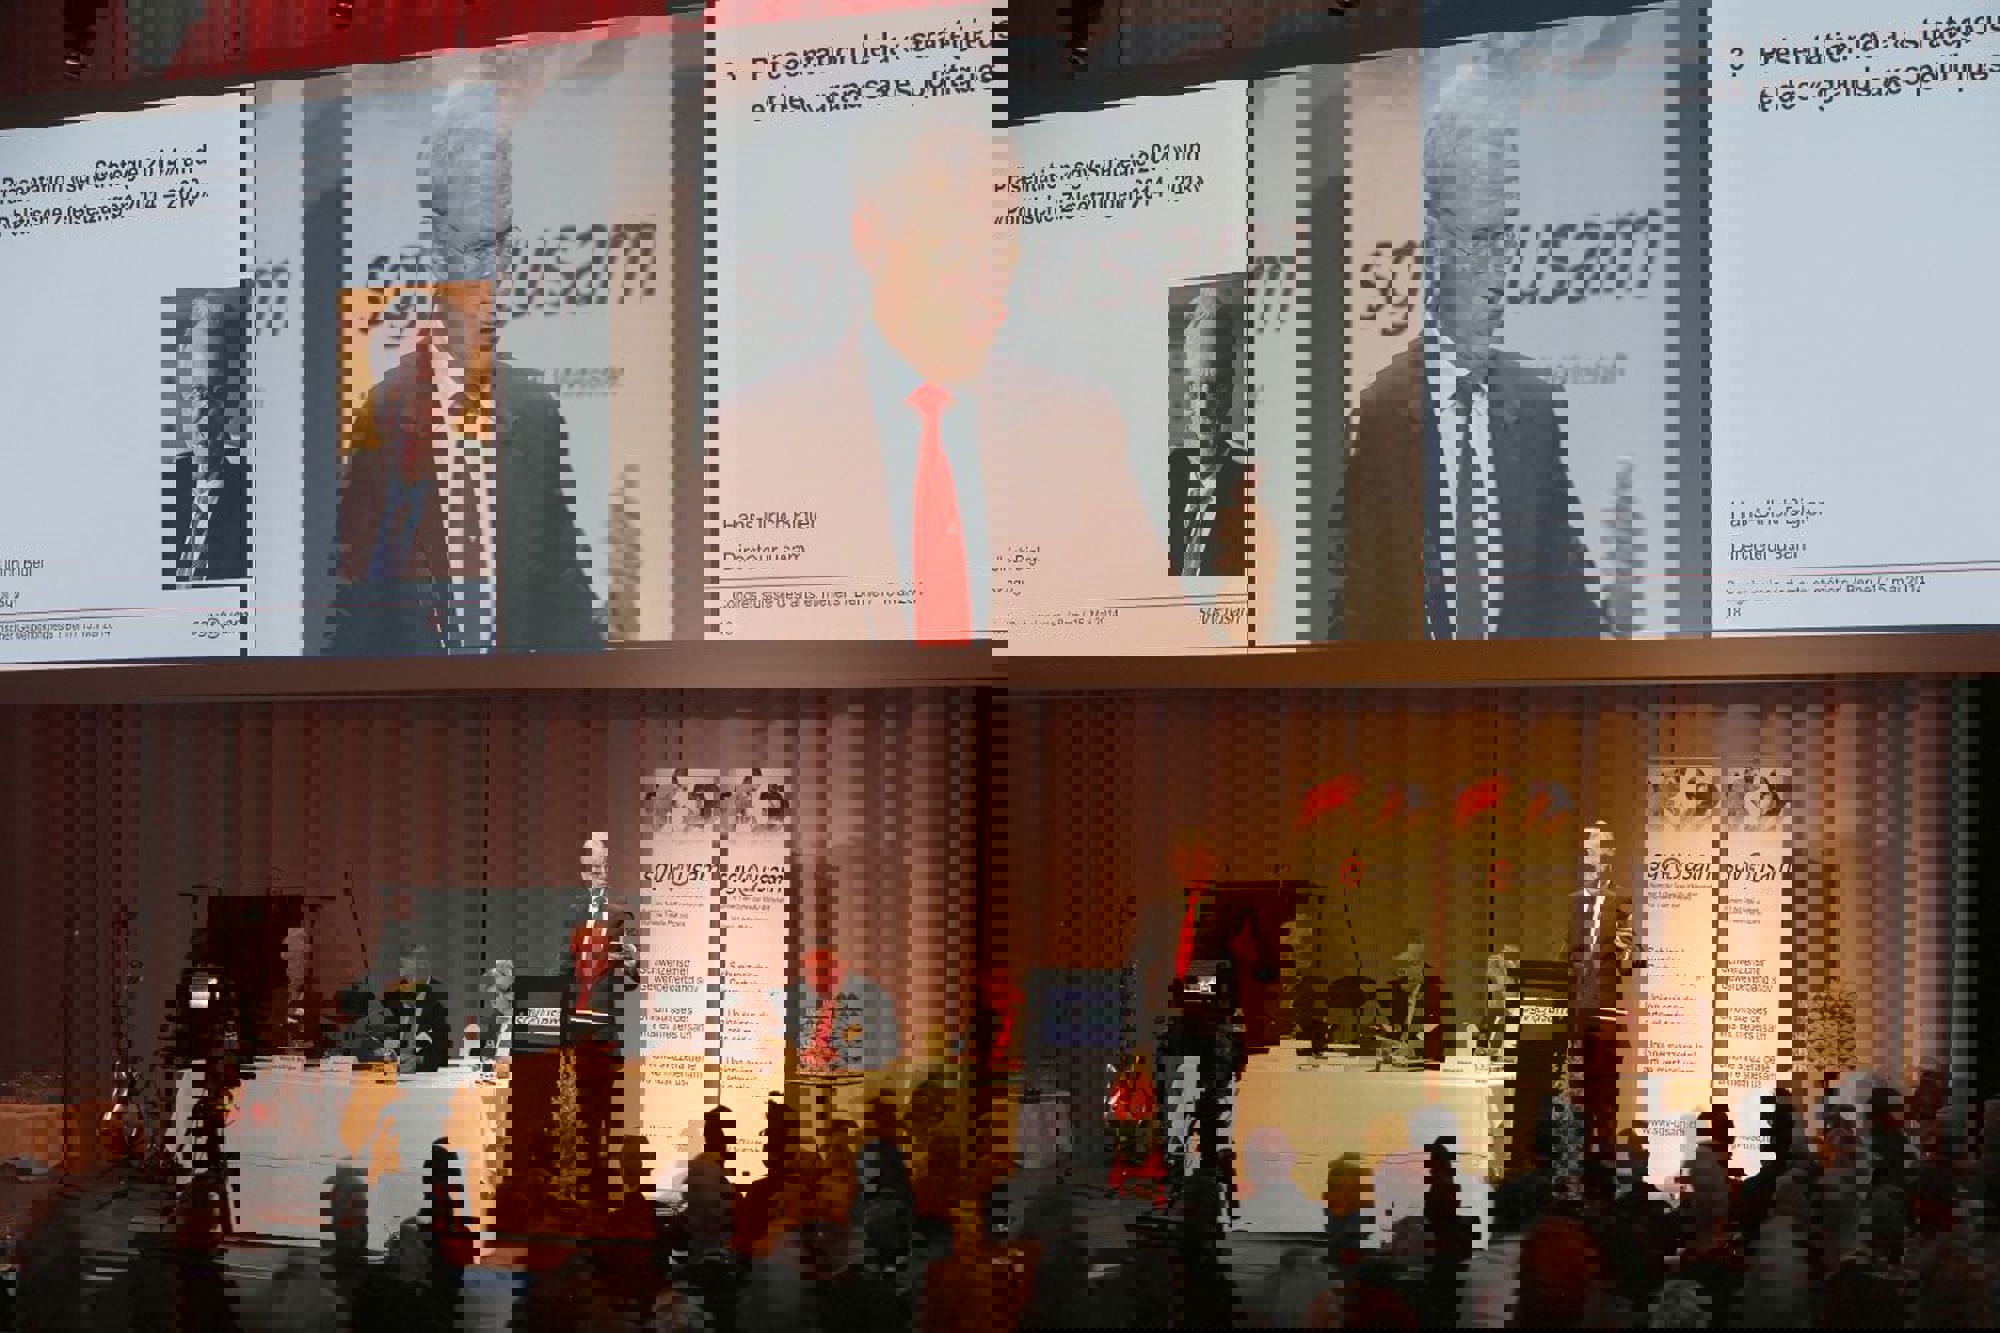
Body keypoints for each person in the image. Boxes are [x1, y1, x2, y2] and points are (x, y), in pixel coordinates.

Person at [714, 116, 1201, 648]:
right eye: (951, 228)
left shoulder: (1075, 425)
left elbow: (1158, 636)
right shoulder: (757, 436)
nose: (987, 262)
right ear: (870, 235)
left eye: (1002, 230)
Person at [326, 79, 602, 657]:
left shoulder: (533, 413)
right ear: (434, 251)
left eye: (504, 246)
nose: (494, 277)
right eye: (475, 249)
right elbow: (350, 629)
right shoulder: (381, 417)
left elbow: (566, 607)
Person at [1341, 58, 1604, 641]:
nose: (1500, 273)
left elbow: (1569, 602)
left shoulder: (1535, 408)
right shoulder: (1381, 414)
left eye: (1509, 241)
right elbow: (1356, 618)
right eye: (1483, 240)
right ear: (1435, 244)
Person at [171, 287, 252, 585]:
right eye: (195, 393)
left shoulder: (257, 496)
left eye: (216, 395)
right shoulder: (163, 484)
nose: (201, 415)